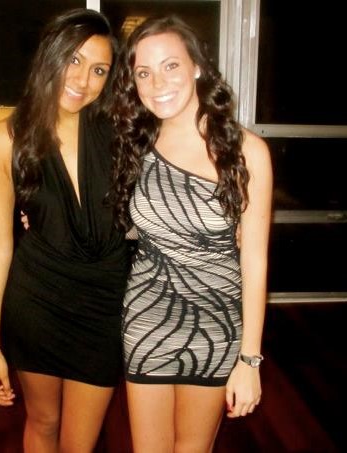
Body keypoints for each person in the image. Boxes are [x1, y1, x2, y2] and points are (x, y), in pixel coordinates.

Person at [109, 15, 273, 453]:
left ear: (197, 66)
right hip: (147, 317)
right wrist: (34, 212)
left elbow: (254, 260)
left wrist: (250, 359)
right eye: (143, 72)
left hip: (216, 324)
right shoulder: (134, 144)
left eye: (171, 66)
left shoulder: (246, 152)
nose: (157, 83)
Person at [0, 9, 131, 453]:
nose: (84, 80)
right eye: (74, 60)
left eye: (99, 70)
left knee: (80, 442)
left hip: (104, 305)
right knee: (43, 422)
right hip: (38, 302)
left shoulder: (119, 133)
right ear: (51, 55)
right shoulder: (4, 140)